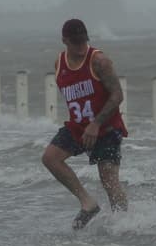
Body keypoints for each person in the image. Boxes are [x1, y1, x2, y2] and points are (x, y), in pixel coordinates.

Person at [41, 18, 129, 229]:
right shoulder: (59, 63)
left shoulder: (99, 61)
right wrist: (85, 124)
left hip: (106, 127)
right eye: (76, 44)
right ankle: (88, 203)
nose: (81, 48)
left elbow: (117, 95)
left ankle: (125, 223)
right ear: (65, 41)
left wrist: (96, 123)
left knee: (108, 180)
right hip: (78, 126)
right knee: (50, 158)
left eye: (83, 42)